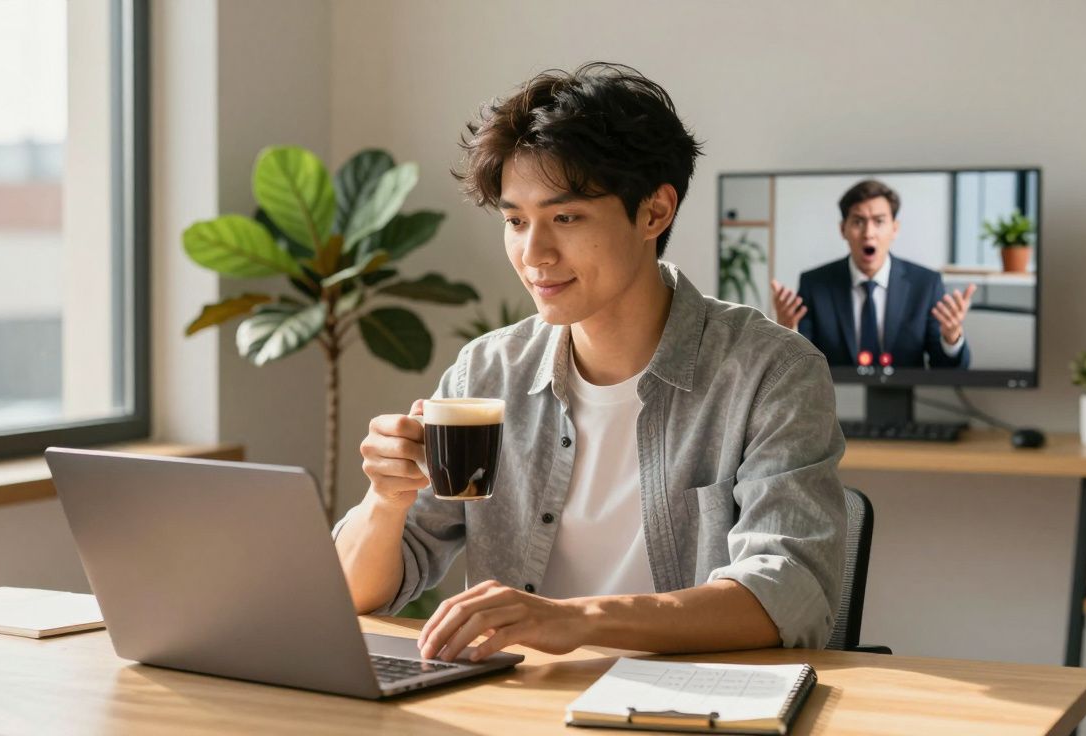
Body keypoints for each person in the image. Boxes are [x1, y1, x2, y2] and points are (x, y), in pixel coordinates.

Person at [332, 62, 845, 663]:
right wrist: (386, 501)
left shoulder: (770, 372)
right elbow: (351, 595)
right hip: (512, 701)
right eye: (515, 221)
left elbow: (788, 594)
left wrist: (577, 620)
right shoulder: (489, 370)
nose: (534, 253)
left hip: (688, 701)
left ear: (654, 212)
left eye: (566, 217)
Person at [770, 180, 975, 369]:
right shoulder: (814, 284)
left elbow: (948, 370)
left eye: (879, 221)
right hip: (835, 397)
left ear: (894, 229)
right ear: (843, 229)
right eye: (858, 222)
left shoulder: (925, 285)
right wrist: (788, 332)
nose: (868, 233)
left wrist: (951, 338)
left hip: (904, 396)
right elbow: (799, 370)